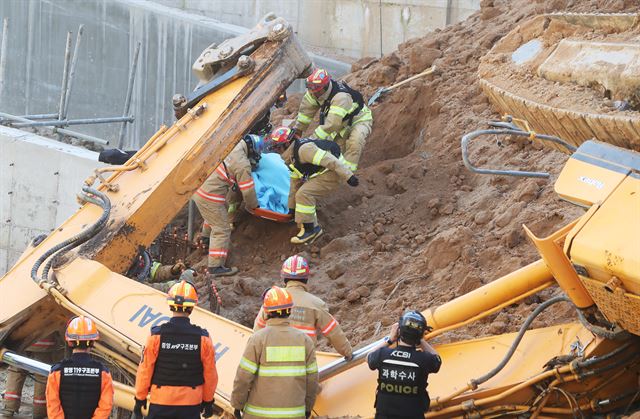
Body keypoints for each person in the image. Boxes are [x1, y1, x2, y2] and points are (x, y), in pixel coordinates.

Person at [134, 280, 218, 419]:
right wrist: (208, 401)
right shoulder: (204, 339)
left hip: (161, 402)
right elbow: (210, 375)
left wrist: (140, 398)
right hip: (191, 403)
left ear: (170, 305)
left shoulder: (156, 336)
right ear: (192, 307)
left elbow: (145, 369)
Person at [231, 286, 318, 419]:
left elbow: (243, 377)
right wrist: (307, 408)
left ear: (266, 311)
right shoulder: (305, 340)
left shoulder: (258, 339)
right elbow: (312, 380)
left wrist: (237, 404)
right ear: (290, 310)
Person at [267, 126, 358, 244]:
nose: (276, 151)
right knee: (300, 193)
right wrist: (291, 208)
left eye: (277, 147)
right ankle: (308, 227)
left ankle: (312, 230)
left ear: (286, 144)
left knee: (304, 193)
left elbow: (330, 160)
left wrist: (348, 176)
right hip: (325, 171)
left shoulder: (304, 150)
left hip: (334, 171)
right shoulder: (292, 157)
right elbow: (294, 183)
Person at [253, 255, 352, 359]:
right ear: (306, 278)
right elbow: (334, 333)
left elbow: (257, 332)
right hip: (302, 362)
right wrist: (348, 352)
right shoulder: (316, 304)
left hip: (272, 360)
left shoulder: (272, 299)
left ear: (284, 278)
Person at [192, 135, 264, 275]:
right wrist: (254, 206)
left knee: (216, 213)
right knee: (222, 228)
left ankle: (206, 239)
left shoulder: (232, 144)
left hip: (201, 189)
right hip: (210, 196)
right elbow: (248, 191)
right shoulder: (242, 164)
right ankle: (215, 267)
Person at [293, 68, 373, 172]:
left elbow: (332, 125)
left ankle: (349, 174)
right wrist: (298, 130)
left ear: (325, 86)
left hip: (359, 119)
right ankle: (334, 173)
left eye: (316, 89)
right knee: (336, 150)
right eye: (310, 88)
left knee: (355, 142)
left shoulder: (341, 97)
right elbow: (305, 114)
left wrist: (312, 140)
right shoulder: (313, 92)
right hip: (341, 122)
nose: (312, 92)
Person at [367, 311, 442, 419]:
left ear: (399, 331)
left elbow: (369, 356)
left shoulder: (382, 355)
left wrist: (390, 339)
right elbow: (437, 360)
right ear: (420, 334)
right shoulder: (424, 359)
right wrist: (421, 340)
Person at [45, 316, 114, 419]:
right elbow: (106, 406)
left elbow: (52, 405)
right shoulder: (103, 373)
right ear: (92, 342)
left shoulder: (57, 372)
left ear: (69, 342)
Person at [1, 334, 63, 418]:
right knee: (41, 374)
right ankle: (39, 412)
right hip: (44, 344)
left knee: (16, 370)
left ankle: (9, 407)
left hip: (22, 342)